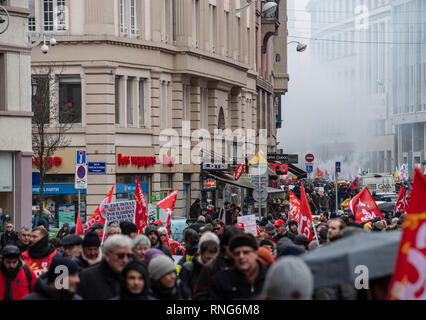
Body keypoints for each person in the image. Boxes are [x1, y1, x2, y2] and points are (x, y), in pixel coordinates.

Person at [209, 233, 268, 300]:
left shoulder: (271, 277)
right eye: (237, 253)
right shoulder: (220, 281)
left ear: (255, 253)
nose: (241, 257)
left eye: (246, 252)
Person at [193, 226, 243, 300]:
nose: (237, 249)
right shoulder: (210, 268)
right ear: (224, 245)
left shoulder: (246, 265)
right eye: (233, 245)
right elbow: (201, 295)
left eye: (240, 245)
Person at [77, 235, 133, 300]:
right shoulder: (86, 277)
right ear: (107, 255)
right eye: (120, 256)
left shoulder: (136, 276)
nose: (125, 260)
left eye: (129, 256)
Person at [178, 232, 219, 300]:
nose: (210, 262)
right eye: (208, 258)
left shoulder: (221, 268)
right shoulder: (188, 268)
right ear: (200, 251)